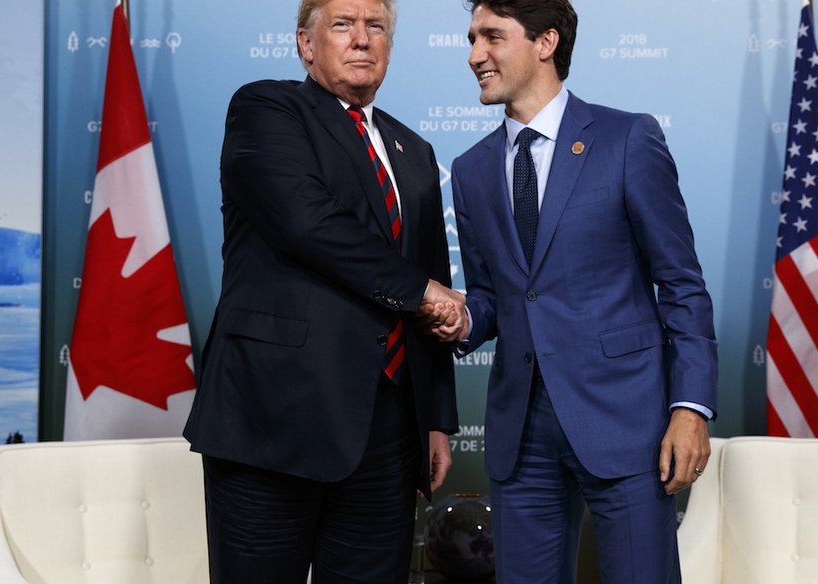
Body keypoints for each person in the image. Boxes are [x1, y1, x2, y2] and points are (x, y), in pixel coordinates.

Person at [183, 0, 466, 582]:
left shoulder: (416, 153)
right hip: (273, 418)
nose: (362, 39)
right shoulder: (267, 107)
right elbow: (308, 222)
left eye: (377, 27)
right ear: (306, 45)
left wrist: (436, 417)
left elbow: (432, 275)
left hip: (388, 433)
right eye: (342, 25)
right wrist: (421, 291)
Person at [449, 1, 718, 581]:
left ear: (545, 42)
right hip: (521, 435)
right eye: (471, 38)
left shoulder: (626, 138)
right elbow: (494, 297)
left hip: (627, 421)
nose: (474, 55)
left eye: (492, 37)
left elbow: (681, 284)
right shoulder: (470, 170)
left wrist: (690, 406)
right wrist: (460, 318)